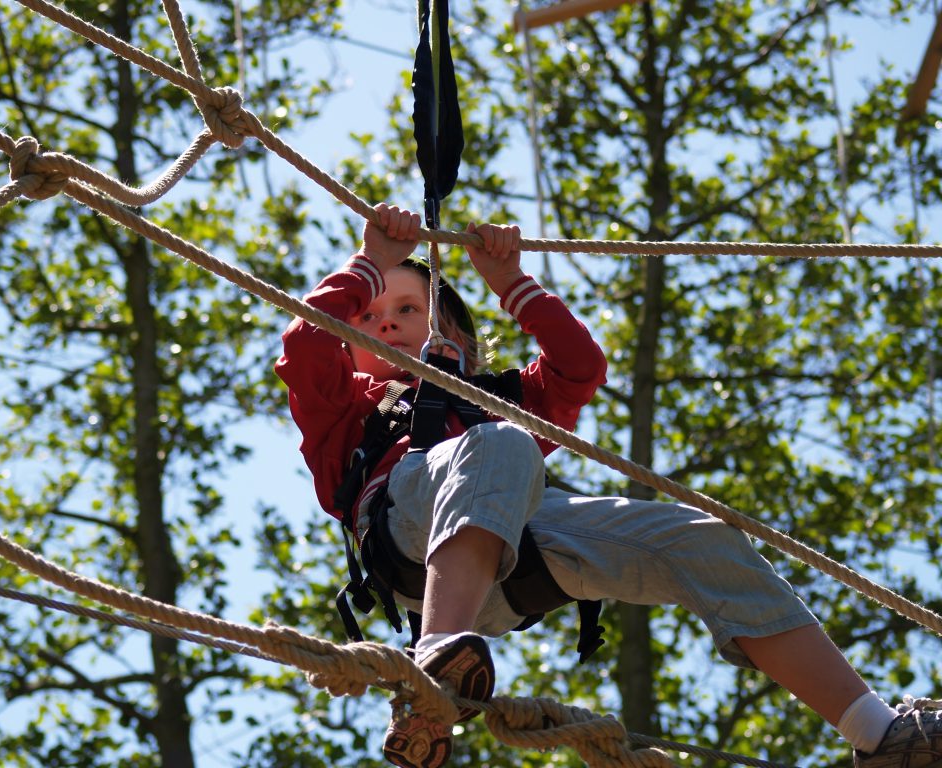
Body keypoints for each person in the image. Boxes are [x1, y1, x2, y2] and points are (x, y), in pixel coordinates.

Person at [275, 203, 942, 768]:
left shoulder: (499, 399)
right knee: (504, 443)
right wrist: (369, 262)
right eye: (367, 316)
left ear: (452, 336)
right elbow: (304, 344)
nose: (385, 322)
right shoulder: (347, 409)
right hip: (409, 536)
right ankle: (431, 672)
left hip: (517, 559)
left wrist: (512, 283)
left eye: (406, 308)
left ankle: (878, 735)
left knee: (701, 539)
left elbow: (579, 366)